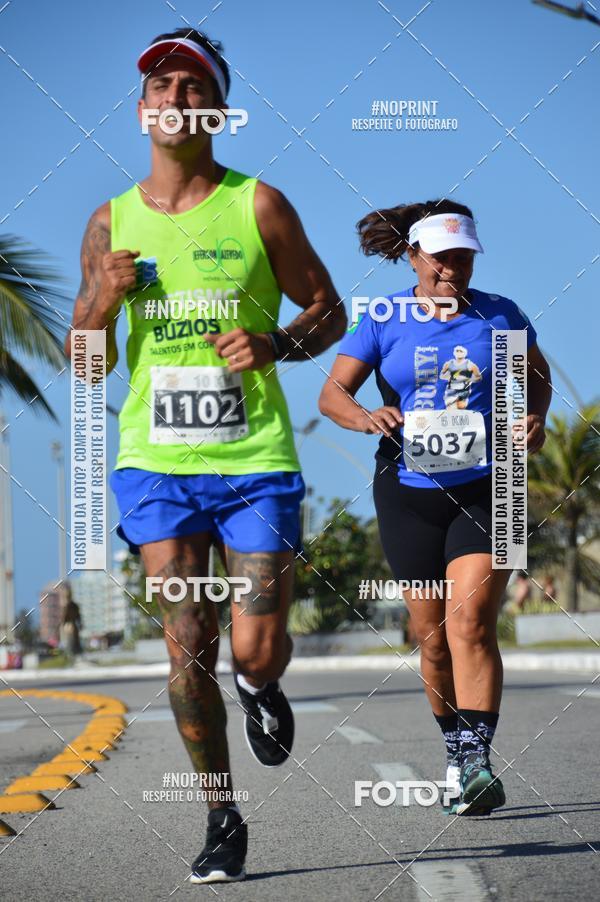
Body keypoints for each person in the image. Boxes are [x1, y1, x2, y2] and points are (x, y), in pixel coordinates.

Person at [65, 28, 345, 883]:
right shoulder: (110, 222)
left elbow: (327, 311)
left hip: (253, 458)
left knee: (253, 648)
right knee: (187, 641)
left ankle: (261, 689)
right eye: (162, 86)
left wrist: (274, 344)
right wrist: (103, 302)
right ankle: (221, 816)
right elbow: (85, 366)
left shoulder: (260, 205)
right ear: (140, 106)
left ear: (217, 106)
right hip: (155, 462)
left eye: (193, 86)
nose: (176, 99)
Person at [319, 200, 551, 816]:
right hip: (408, 492)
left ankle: (477, 762)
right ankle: (455, 753)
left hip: (491, 485)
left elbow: (536, 375)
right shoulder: (382, 316)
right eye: (442, 258)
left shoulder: (501, 315)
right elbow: (332, 395)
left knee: (473, 622)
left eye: (464, 258)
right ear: (414, 256)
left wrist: (535, 418)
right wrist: (368, 416)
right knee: (433, 637)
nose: (453, 269)